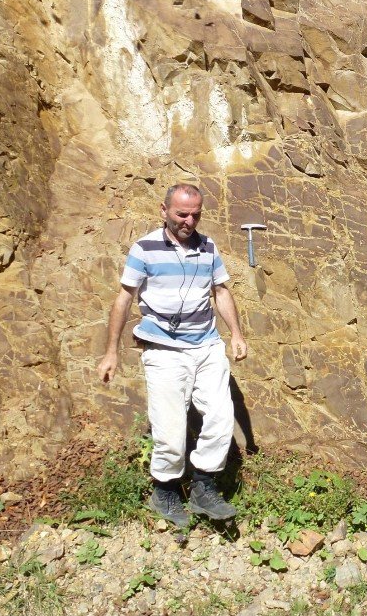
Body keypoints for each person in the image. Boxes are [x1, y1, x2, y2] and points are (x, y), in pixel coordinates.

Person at [97, 184, 248, 526]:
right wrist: (111, 352)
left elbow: (220, 291)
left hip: (206, 345)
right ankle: (164, 491)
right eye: (181, 214)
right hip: (164, 350)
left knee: (221, 418)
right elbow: (123, 299)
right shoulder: (145, 249)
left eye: (195, 214)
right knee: (170, 432)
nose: (189, 221)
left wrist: (236, 334)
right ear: (163, 210)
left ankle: (204, 486)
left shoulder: (208, 247)